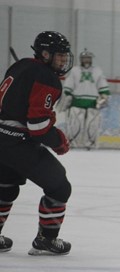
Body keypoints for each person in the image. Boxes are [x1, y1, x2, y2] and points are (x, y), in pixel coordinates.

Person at [0, 31, 73, 255]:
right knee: (60, 186)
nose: (63, 60)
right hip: (18, 143)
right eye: (58, 55)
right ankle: (46, 240)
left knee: (6, 187)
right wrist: (59, 141)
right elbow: (38, 126)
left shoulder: (20, 66)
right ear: (44, 53)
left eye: (64, 56)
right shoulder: (46, 77)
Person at [60, 48, 110, 149]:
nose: (86, 60)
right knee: (75, 125)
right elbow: (68, 86)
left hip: (93, 103)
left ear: (91, 59)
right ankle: (72, 144)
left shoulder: (97, 71)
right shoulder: (74, 70)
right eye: (84, 58)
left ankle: (90, 144)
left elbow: (103, 87)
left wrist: (104, 96)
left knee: (92, 126)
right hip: (76, 102)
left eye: (88, 58)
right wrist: (67, 96)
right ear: (81, 59)